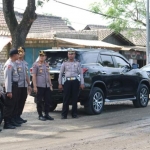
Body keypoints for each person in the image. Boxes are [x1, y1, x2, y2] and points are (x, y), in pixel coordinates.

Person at [58, 48, 84, 119]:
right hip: (67, 82)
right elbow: (60, 74)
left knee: (74, 98)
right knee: (65, 98)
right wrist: (60, 83)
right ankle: (64, 114)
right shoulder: (64, 63)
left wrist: (82, 83)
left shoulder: (78, 63)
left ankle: (74, 114)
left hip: (75, 81)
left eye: (72, 54)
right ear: (67, 55)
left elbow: (81, 74)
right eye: (69, 54)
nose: (71, 55)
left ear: (74, 55)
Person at [32, 50, 54, 121]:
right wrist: (35, 86)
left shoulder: (46, 64)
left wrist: (50, 85)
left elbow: (48, 75)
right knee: (39, 101)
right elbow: (34, 76)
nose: (41, 57)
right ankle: (40, 115)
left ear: (45, 57)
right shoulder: (36, 65)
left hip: (47, 85)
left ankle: (47, 114)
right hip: (40, 86)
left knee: (48, 100)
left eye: (43, 56)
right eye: (40, 56)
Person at [3, 49, 20, 129]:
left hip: (15, 86)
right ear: (14, 55)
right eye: (17, 54)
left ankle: (11, 120)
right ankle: (7, 123)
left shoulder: (14, 63)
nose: (18, 55)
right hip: (11, 87)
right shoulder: (9, 64)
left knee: (13, 104)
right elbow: (8, 79)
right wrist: (9, 91)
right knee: (9, 105)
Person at [16, 47, 32, 124]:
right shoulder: (15, 63)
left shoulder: (25, 63)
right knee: (16, 102)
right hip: (17, 86)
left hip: (24, 85)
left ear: (24, 53)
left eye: (22, 52)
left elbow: (26, 75)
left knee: (22, 101)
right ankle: (14, 117)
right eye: (19, 52)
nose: (20, 54)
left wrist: (29, 85)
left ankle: (18, 116)